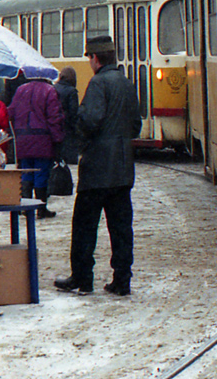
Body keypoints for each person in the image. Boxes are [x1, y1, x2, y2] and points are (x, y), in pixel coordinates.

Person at [55, 35, 141, 297]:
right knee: (121, 227)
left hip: (97, 169)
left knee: (84, 225)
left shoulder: (98, 83)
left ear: (94, 58)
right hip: (123, 169)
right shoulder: (127, 84)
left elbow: (89, 120)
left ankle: (82, 278)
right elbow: (135, 125)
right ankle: (122, 279)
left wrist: (80, 138)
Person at [9, 75, 65, 219]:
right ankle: (41, 208)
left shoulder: (20, 90)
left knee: (26, 172)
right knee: (41, 173)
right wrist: (58, 139)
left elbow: (12, 112)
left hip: (22, 139)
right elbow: (54, 118)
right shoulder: (49, 91)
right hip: (42, 139)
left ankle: (26, 207)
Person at [54, 66, 83, 164]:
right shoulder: (71, 91)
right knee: (70, 162)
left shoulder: (54, 88)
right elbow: (73, 112)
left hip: (56, 128)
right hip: (68, 131)